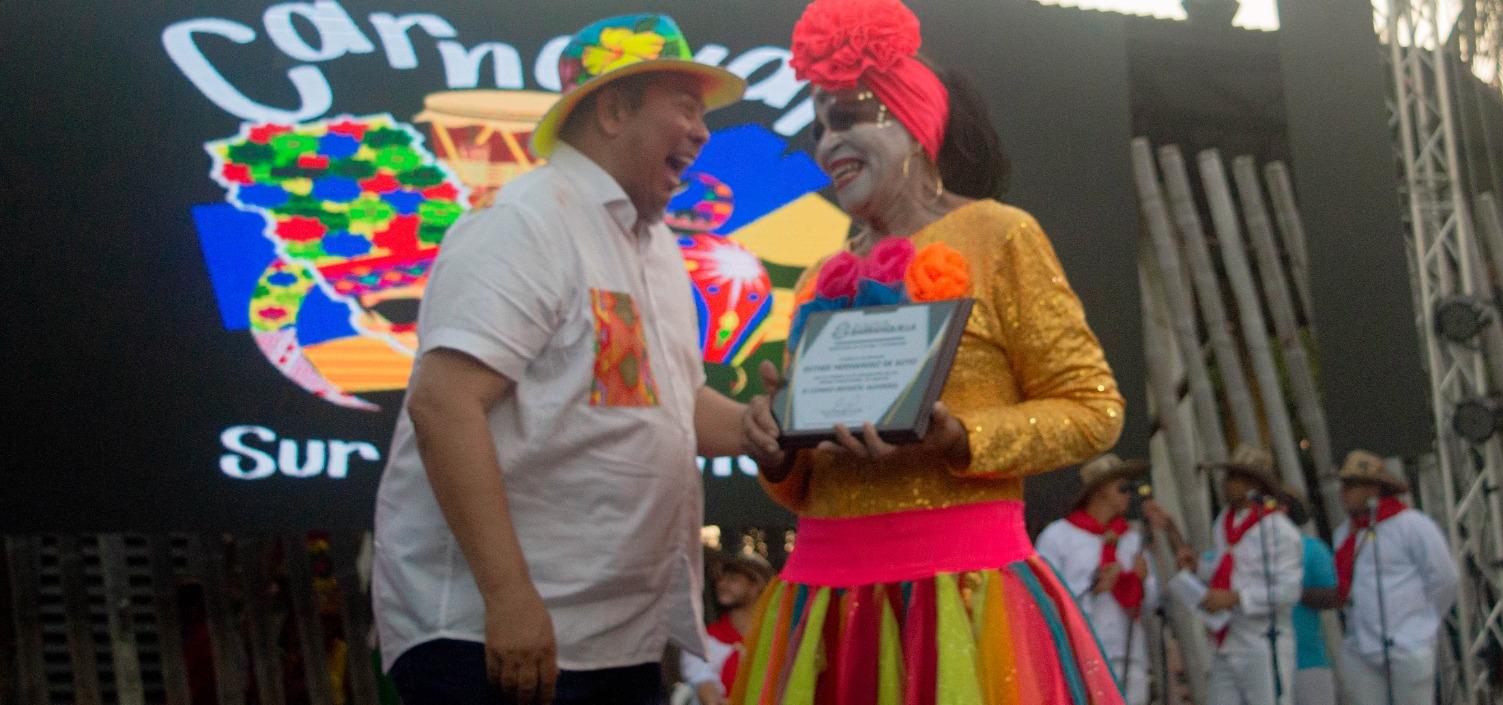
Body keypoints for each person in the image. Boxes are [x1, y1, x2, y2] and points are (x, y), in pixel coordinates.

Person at [736, 0, 1127, 701]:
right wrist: (777, 447)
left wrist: (961, 437)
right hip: (824, 602)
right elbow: (809, 478)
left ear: (915, 122)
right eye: (819, 125)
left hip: (963, 600)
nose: (826, 143)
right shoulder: (825, 273)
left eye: (849, 117)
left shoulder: (1000, 234)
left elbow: (1093, 409)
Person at [369, 14, 748, 705]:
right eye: (686, 107)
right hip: (494, 636)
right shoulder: (526, 220)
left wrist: (773, 425)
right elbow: (443, 401)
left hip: (611, 636)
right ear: (611, 108)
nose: (703, 132)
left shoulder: (654, 245)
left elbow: (679, 404)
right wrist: (509, 596)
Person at [1331, 450, 1457, 705]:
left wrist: (1422, 624)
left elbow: (1446, 579)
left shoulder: (1412, 524)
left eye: (1352, 484)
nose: (1344, 491)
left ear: (1374, 489)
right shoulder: (1344, 533)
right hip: (1361, 647)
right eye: (1344, 484)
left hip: (1408, 645)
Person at [1036, 454, 1161, 705]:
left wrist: (1142, 581)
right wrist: (1093, 588)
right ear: (1101, 490)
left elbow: (1153, 603)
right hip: (1081, 657)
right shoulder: (1058, 536)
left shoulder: (1131, 539)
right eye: (1122, 486)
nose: (1129, 493)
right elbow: (1042, 602)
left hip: (1129, 655)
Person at [1196, 445, 1304, 705]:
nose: (1226, 483)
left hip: (1263, 643)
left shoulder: (1279, 530)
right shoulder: (1224, 521)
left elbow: (1289, 591)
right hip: (1227, 638)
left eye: (1234, 477)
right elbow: (1226, 569)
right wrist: (1198, 571)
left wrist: (1236, 598)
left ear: (1253, 484)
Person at [680, 554, 773, 705]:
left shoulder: (775, 639)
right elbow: (707, 690)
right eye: (720, 579)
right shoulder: (702, 641)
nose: (721, 584)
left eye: (733, 579)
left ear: (757, 585)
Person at [1280, 487, 1339, 705]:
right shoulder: (1244, 549)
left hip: (1307, 662)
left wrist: (1288, 591)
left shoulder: (1312, 549)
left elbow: (1334, 596)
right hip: (1259, 664)